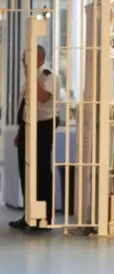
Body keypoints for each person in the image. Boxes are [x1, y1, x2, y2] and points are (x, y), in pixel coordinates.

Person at [9, 45, 59, 231]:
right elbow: (27, 107)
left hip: (43, 128)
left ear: (37, 58)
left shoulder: (47, 75)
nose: (23, 61)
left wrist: (31, 74)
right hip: (28, 127)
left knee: (41, 170)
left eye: (26, 58)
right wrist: (20, 132)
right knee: (26, 170)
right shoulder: (30, 77)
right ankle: (29, 214)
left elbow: (43, 97)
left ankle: (44, 216)